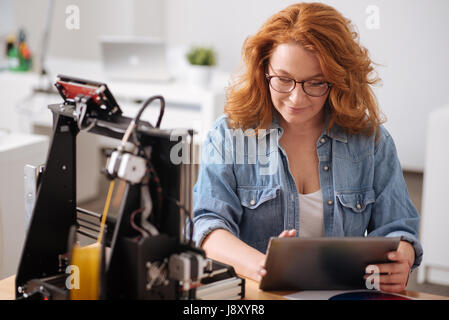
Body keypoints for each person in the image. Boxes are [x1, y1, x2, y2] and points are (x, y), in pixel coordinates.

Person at [191, 2, 422, 293]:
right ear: (264, 70)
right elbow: (208, 227)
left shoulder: (372, 142)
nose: (296, 98)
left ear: (338, 81)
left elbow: (399, 227)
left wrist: (403, 255)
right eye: (284, 80)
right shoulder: (228, 136)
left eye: (315, 83)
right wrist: (266, 267)